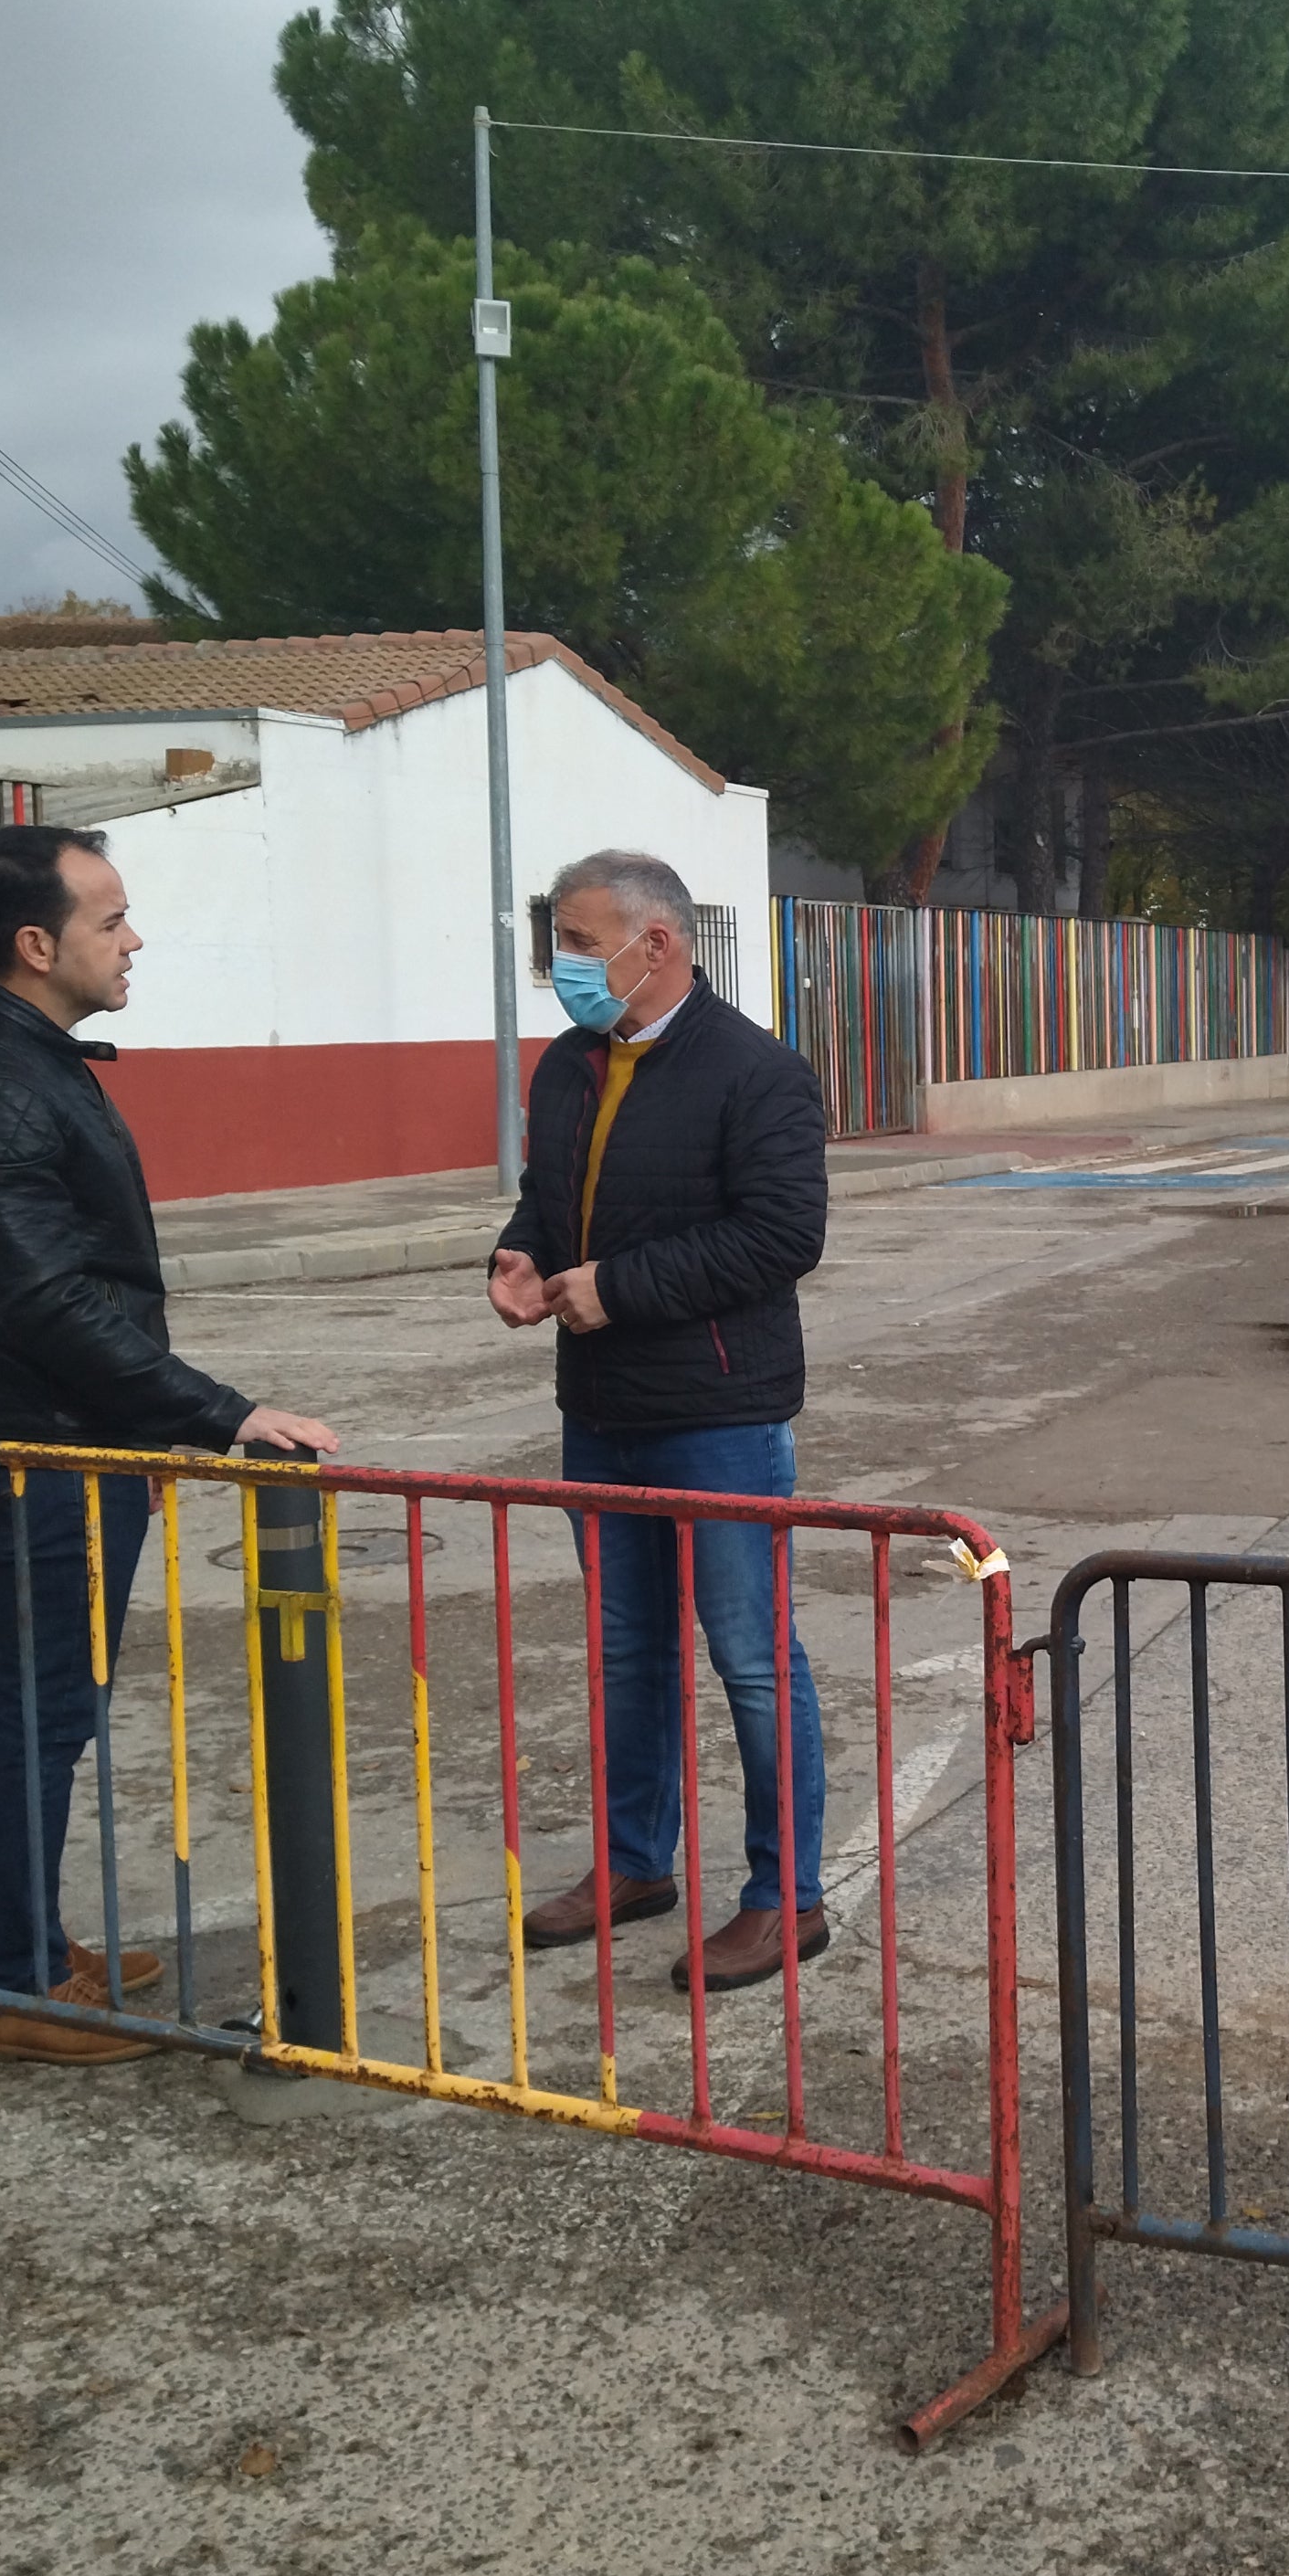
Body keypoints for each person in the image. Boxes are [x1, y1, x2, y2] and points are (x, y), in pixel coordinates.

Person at [0, 823, 339, 2066]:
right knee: (40, 1710)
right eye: (110, 919)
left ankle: (23, 1951)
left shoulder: (31, 1057)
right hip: (53, 1450)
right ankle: (13, 1984)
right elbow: (47, 1301)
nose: (134, 937)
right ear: (34, 944)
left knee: (50, 1706)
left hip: (83, 1442)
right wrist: (220, 1413)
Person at [489, 849, 832, 1993]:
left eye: (581, 945)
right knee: (627, 1652)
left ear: (659, 945)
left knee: (749, 1658)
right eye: (560, 943)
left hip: (717, 1415)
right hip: (601, 1409)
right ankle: (636, 1863)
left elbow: (782, 1238)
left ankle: (785, 1898)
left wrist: (618, 1287)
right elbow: (551, 1192)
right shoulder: (570, 1067)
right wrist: (520, 1252)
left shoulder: (756, 1072)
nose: (563, 967)